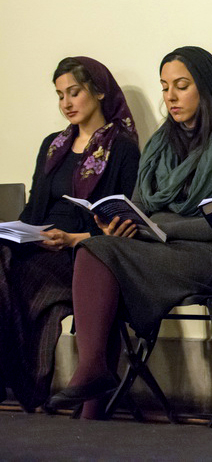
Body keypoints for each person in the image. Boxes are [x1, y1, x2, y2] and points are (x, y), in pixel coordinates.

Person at [46, 46, 212, 419]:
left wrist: (160, 226)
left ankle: (92, 386)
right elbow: (139, 206)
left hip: (207, 255)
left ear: (206, 88)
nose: (170, 97)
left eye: (181, 86)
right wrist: (120, 222)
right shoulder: (160, 143)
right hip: (154, 248)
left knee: (106, 258)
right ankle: (93, 375)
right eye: (164, 87)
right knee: (99, 247)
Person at [0, 57, 139, 411]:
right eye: (60, 95)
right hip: (42, 242)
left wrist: (71, 238)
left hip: (82, 251)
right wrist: (22, 232)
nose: (66, 103)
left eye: (74, 93)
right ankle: (15, 381)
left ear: (99, 91)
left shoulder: (122, 147)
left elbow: (119, 219)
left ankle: (28, 385)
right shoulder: (53, 145)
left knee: (19, 278)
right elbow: (34, 208)